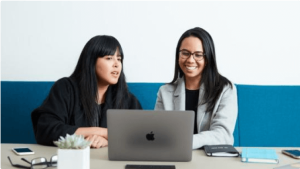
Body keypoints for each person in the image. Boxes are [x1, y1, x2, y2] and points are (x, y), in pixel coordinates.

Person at [31, 35, 142, 148]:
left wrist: (108, 141)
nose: (116, 64)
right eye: (109, 58)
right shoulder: (66, 89)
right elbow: (46, 129)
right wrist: (100, 132)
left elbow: (141, 136)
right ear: (91, 61)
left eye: (119, 59)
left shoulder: (128, 100)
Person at [155, 27, 238, 149]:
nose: (190, 60)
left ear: (208, 59)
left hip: (210, 160)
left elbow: (223, 135)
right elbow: (158, 132)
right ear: (178, 55)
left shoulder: (225, 89)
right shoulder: (165, 92)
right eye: (185, 53)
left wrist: (187, 141)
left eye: (198, 55)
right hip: (175, 156)